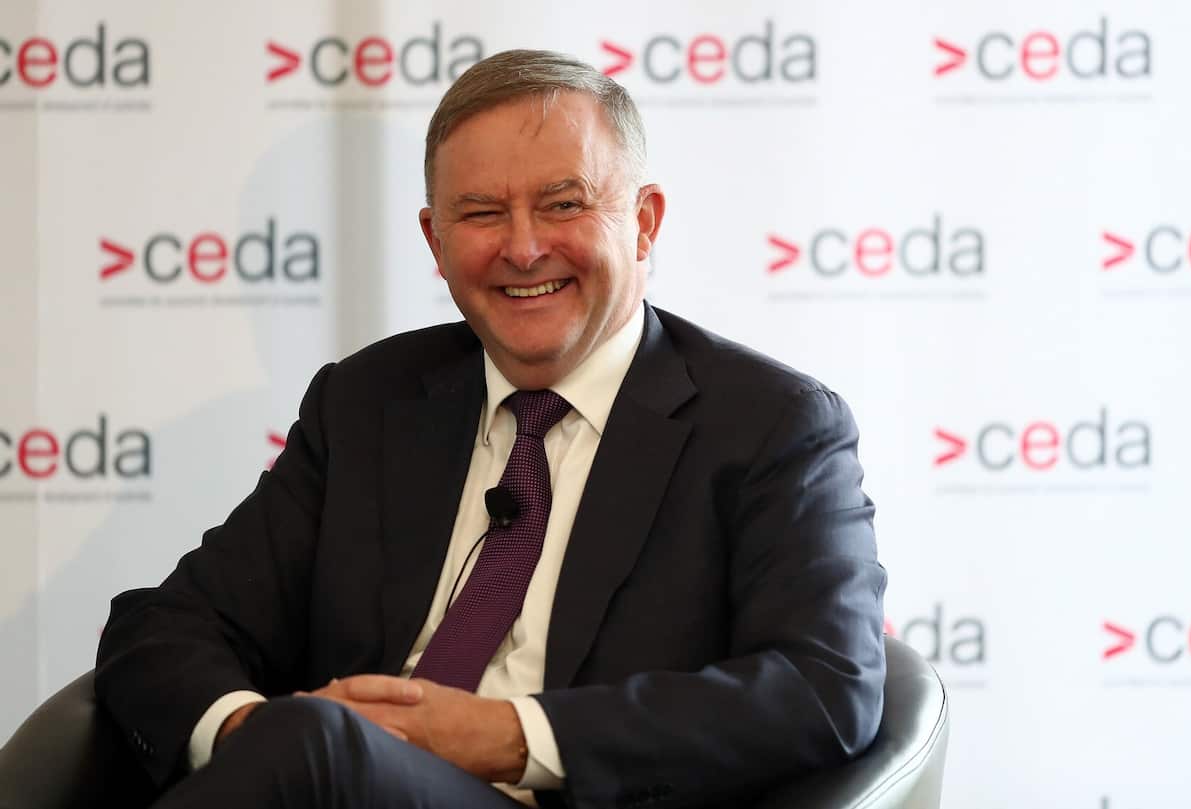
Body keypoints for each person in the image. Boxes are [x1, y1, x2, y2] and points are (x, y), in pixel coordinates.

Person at [94, 49, 887, 809]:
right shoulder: (369, 401)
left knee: (317, 743)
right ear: (435, 242)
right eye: (480, 213)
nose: (523, 246)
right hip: (332, 785)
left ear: (643, 223)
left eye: (563, 202)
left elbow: (826, 686)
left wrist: (506, 735)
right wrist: (247, 734)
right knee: (308, 743)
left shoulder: (771, 425)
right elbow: (163, 627)